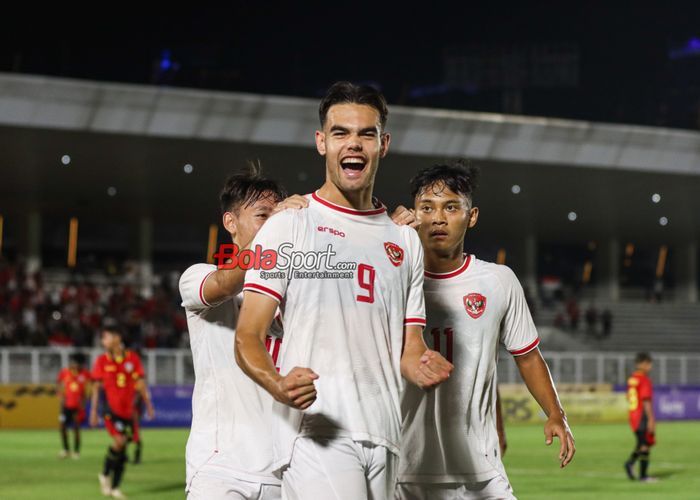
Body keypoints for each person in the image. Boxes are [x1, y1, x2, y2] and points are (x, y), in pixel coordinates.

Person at [235, 81, 453, 500]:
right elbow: (247, 335)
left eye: (366, 134)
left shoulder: (405, 240)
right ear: (321, 142)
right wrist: (277, 383)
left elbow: (409, 346)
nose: (353, 144)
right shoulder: (289, 225)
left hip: (386, 432)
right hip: (318, 431)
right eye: (341, 133)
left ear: (383, 144)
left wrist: (422, 363)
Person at [395, 161, 575, 499]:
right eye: (427, 207)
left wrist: (556, 413)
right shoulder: (391, 277)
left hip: (481, 469)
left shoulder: (498, 280)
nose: (438, 218)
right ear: (413, 214)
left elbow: (528, 357)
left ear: (472, 215)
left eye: (451, 207)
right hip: (408, 469)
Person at [179, 164, 307, 499]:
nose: (274, 224)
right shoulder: (199, 276)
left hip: (286, 471)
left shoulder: (299, 290)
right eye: (264, 215)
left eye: (277, 216)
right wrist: (275, 236)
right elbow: (223, 282)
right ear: (231, 223)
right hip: (222, 471)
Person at [90, 321, 155, 499]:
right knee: (119, 441)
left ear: (116, 338)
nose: (103, 341)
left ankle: (115, 486)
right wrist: (93, 412)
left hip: (128, 412)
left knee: (123, 449)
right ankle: (104, 474)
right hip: (110, 409)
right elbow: (96, 388)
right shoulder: (102, 361)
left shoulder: (132, 359)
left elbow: (140, 384)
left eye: (106, 337)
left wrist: (149, 405)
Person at [625, 352, 657, 482]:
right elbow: (646, 401)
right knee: (645, 445)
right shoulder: (644, 380)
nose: (650, 366)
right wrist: (651, 419)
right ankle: (643, 476)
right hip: (641, 416)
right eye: (649, 364)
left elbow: (629, 397)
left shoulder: (632, 378)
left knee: (642, 443)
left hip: (633, 415)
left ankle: (630, 464)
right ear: (643, 364)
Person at [56, 352, 90, 459]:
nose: (73, 365)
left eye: (76, 363)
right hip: (65, 406)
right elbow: (58, 384)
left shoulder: (85, 374)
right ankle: (66, 450)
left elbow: (90, 387)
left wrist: (85, 400)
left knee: (76, 428)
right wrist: (60, 396)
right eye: (72, 363)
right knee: (62, 427)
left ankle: (76, 451)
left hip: (77, 406)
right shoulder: (65, 372)